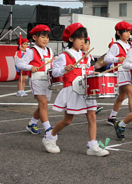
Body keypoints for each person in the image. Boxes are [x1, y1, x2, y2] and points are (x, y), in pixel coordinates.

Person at [42, 23, 108, 156]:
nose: (83, 42)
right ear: (71, 39)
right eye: (80, 38)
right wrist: (64, 69)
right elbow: (54, 72)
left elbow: (88, 71)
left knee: (92, 116)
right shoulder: (64, 56)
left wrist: (94, 74)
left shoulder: (86, 56)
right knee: (68, 120)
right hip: (72, 90)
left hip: (86, 89)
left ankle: (93, 145)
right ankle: (50, 137)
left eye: (84, 39)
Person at [105, 21, 132, 128]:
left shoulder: (130, 44)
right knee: (131, 94)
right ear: (118, 33)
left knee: (121, 96)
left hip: (128, 72)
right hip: (120, 73)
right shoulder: (116, 45)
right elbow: (106, 58)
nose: (128, 34)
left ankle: (111, 117)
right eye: (125, 32)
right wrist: (117, 58)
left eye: (129, 31)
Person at [16, 25, 54, 135]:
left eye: (47, 37)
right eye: (42, 37)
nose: (45, 39)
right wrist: (30, 67)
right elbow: (20, 64)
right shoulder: (31, 51)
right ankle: (48, 129)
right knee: (43, 104)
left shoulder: (49, 50)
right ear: (34, 37)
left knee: (43, 105)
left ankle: (32, 124)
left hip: (48, 80)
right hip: (37, 79)